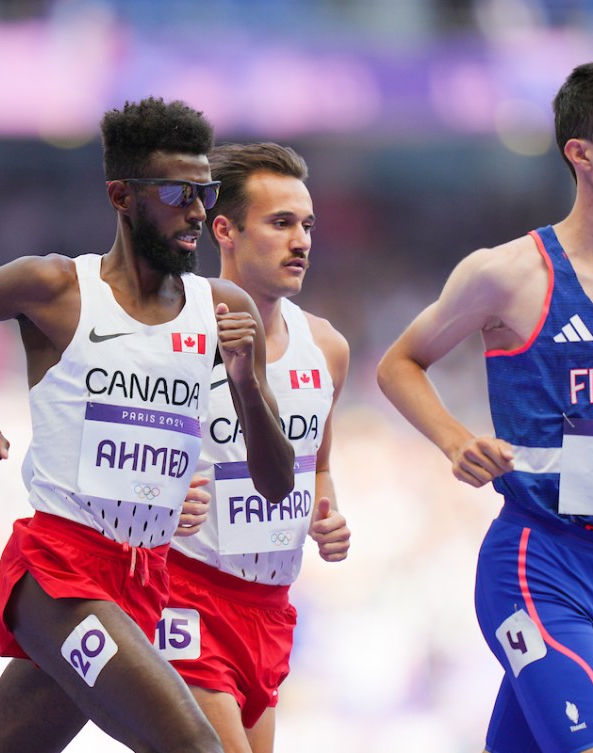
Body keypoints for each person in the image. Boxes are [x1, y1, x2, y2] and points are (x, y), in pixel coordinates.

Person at [0, 97, 295, 753]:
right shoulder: (55, 287)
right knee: (198, 746)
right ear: (121, 196)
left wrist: (244, 379)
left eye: (205, 191)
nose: (197, 210)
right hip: (58, 572)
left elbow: (274, 484)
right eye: (175, 192)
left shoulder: (223, 309)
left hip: (145, 581)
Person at [377, 57, 593, 753]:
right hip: (533, 567)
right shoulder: (506, 274)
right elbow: (398, 363)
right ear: (581, 154)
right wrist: (452, 440)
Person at [158, 142, 350, 753]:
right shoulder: (169, 332)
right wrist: (163, 496)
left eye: (308, 225)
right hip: (184, 594)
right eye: (281, 222)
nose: (302, 241)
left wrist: (329, 514)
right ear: (225, 230)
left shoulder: (326, 348)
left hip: (268, 608)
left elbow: (316, 465)